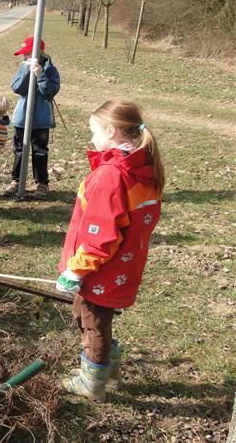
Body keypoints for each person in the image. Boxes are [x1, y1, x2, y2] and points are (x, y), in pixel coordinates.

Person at [56, 100, 163, 401]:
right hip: (122, 266)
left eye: (94, 132)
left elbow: (100, 237)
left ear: (112, 132)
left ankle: (92, 383)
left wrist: (75, 270)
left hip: (100, 270)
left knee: (93, 323)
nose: (92, 139)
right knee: (93, 317)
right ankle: (107, 365)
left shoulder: (112, 176)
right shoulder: (141, 167)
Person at [1, 36, 60, 199]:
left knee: (40, 152)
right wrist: (27, 71)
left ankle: (42, 183)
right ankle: (16, 181)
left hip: (41, 119)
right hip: (22, 117)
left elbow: (50, 92)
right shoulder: (23, 67)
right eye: (24, 54)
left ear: (39, 53)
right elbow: (17, 88)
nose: (24, 57)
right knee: (19, 150)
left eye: (27, 53)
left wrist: (40, 74)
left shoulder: (50, 69)